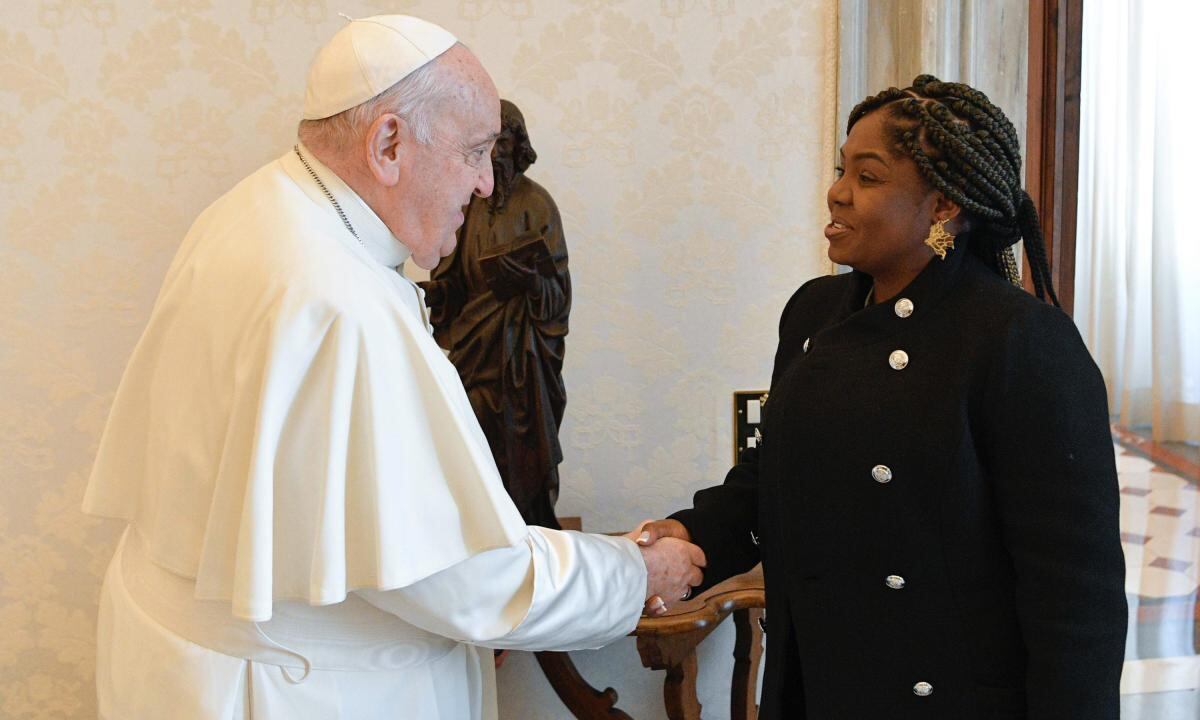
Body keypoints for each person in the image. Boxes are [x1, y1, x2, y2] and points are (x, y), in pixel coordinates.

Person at [82, 15, 704, 720]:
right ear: (387, 145)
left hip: (187, 659)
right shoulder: (341, 302)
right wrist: (633, 573)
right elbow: (466, 578)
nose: (484, 185)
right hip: (294, 690)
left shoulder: (255, 209)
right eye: (474, 152)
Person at [637, 75, 1127, 719]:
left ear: (943, 207)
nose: (837, 191)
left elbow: (1075, 595)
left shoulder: (1021, 340)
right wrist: (690, 533)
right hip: (815, 687)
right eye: (841, 170)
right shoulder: (814, 311)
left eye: (867, 177)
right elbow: (773, 480)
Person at [423, 98, 569, 530]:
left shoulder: (537, 205)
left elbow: (558, 293)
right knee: (473, 441)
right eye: (487, 146)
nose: (496, 156)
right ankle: (483, 532)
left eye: (503, 144)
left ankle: (530, 530)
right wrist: (434, 292)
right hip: (474, 351)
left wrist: (530, 282)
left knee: (524, 447)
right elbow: (453, 279)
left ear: (518, 146)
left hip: (524, 358)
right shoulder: (466, 205)